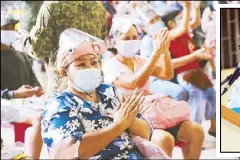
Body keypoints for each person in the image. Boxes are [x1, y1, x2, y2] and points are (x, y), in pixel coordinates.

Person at [41, 28, 163, 159]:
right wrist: (118, 125)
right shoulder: (59, 106)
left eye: (94, 62)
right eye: (81, 64)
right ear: (64, 71)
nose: (90, 68)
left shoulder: (110, 92)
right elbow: (73, 150)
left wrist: (130, 120)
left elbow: (146, 132)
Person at [103, 16, 205, 158]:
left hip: (155, 115)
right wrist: (156, 53)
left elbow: (166, 74)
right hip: (133, 121)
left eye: (134, 37)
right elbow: (135, 83)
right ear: (114, 42)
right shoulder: (110, 65)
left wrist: (165, 52)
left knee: (196, 130)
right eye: (126, 38)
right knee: (164, 139)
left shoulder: (140, 60)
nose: (132, 41)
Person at [12, 1, 107, 97]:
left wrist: (22, 37)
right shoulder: (97, 5)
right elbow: (101, 39)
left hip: (65, 85)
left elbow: (38, 50)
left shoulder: (52, 6)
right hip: (94, 81)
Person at [162, 1, 216, 136]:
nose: (182, 19)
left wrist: (196, 8)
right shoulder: (168, 35)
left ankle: (214, 128)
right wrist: (186, 6)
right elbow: (185, 26)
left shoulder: (184, 32)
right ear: (170, 23)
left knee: (212, 95)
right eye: (179, 17)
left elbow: (195, 22)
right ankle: (194, 133)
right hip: (185, 74)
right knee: (196, 101)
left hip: (198, 72)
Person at [1, 15, 44, 159]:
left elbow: (34, 79)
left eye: (13, 28)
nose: (10, 31)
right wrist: (14, 94)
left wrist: (36, 89)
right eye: (6, 28)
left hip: (28, 104)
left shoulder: (21, 55)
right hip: (7, 106)